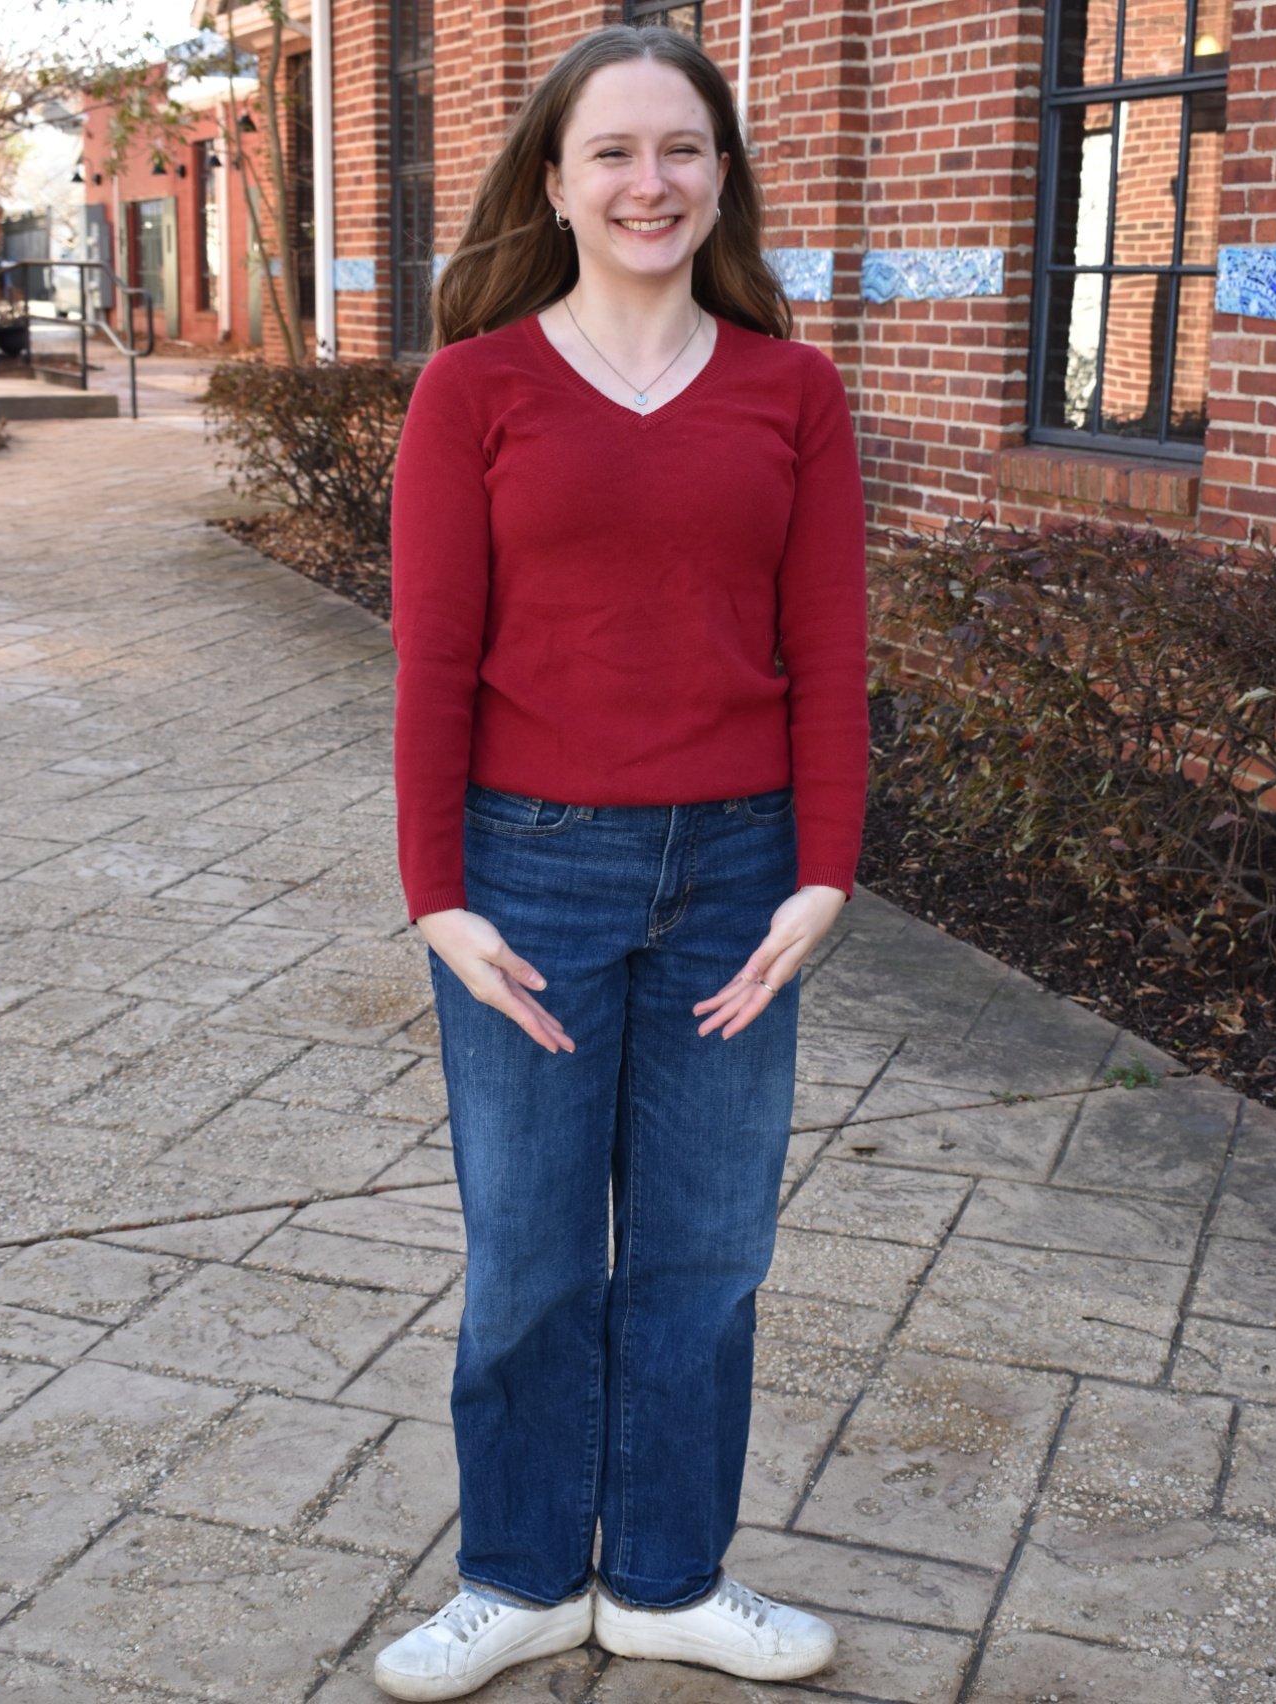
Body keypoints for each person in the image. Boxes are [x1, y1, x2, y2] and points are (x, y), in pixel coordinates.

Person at [377, 21, 868, 1702]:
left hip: (739, 880)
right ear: (555, 179)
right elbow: (434, 655)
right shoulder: (479, 386)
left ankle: (663, 1577)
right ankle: (516, 1577)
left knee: (704, 1254)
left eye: (679, 148)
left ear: (718, 173)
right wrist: (434, 891)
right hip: (531, 875)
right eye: (612, 152)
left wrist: (824, 871)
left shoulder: (791, 391)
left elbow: (827, 646)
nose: (647, 182)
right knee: (525, 1252)